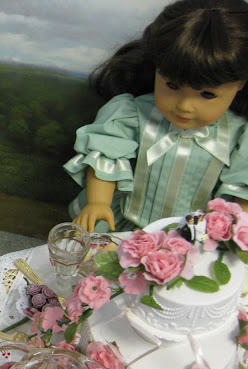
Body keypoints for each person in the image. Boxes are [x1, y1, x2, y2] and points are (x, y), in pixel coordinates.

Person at [64, 0, 248, 233]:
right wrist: (98, 203)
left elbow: (243, 194)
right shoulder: (131, 114)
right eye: (172, 85)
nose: (185, 106)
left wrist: (236, 229)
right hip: (128, 224)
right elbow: (107, 158)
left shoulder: (240, 137)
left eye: (208, 94)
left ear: (240, 82)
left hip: (195, 236)